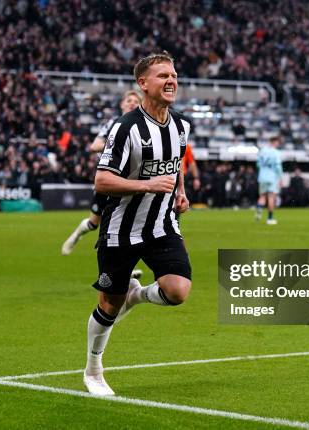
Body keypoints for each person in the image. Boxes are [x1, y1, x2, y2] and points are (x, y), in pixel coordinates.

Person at [83, 52, 192, 396]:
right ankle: (93, 369)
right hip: (120, 229)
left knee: (177, 291)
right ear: (143, 83)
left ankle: (138, 295)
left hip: (162, 225)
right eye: (162, 76)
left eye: (173, 74)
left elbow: (176, 164)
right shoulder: (125, 127)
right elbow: (102, 181)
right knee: (108, 305)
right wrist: (147, 184)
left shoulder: (181, 125)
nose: (171, 80)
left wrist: (181, 192)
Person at [62, 90, 141, 255]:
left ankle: (127, 271)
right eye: (129, 100)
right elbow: (93, 146)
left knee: (124, 223)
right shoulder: (113, 123)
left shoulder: (143, 125)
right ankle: (76, 235)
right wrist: (118, 142)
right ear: (122, 104)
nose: (132, 103)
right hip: (110, 177)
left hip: (131, 180)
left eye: (136, 100)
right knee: (94, 223)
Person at [255, 136, 283, 224]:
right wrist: (280, 178)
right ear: (274, 142)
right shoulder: (276, 152)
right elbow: (278, 166)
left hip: (262, 176)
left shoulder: (262, 151)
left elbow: (258, 164)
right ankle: (270, 219)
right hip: (272, 177)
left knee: (262, 196)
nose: (278, 144)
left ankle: (259, 211)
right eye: (278, 142)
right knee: (271, 197)